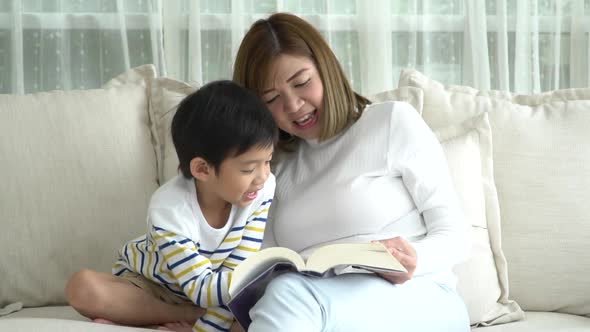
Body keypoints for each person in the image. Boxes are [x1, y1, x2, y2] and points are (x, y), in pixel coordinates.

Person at [232, 13, 471, 332]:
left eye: (302, 82)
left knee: (289, 296)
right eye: (272, 99)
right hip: (323, 311)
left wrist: (414, 257)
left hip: (421, 297)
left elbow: (457, 235)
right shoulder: (276, 168)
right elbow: (265, 267)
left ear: (326, 69)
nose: (293, 105)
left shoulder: (391, 123)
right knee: (284, 294)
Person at [65, 80, 277, 332]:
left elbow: (237, 275)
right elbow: (203, 289)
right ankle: (178, 314)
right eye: (249, 168)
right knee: (82, 288)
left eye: (268, 161)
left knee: (263, 313)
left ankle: (147, 318)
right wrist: (201, 321)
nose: (263, 176)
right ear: (202, 169)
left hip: (218, 290)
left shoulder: (259, 190)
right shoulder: (169, 209)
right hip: (152, 286)